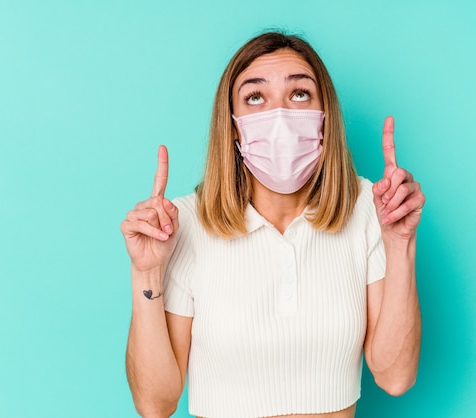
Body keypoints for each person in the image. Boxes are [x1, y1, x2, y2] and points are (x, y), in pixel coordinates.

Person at [121, 31, 425, 418]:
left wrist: (400, 243)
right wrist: (146, 273)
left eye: (299, 94)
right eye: (255, 97)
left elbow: (395, 376)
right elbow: (155, 404)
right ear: (231, 126)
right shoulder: (185, 224)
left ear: (323, 117)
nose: (280, 115)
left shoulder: (369, 209)